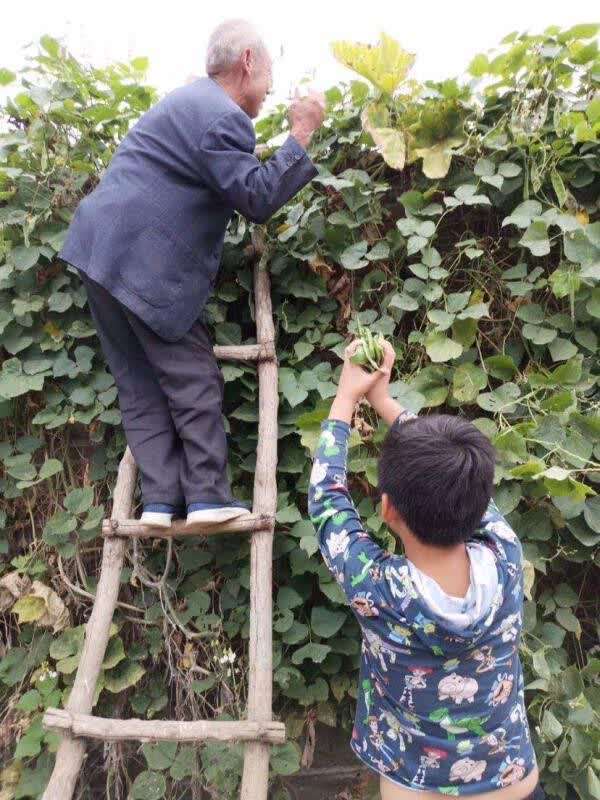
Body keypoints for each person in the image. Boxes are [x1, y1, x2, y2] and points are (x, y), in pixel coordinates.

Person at [59, 19, 324, 528]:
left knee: (139, 382)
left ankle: (161, 503)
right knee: (192, 375)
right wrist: (302, 132)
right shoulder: (222, 116)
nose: (271, 89)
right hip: (142, 258)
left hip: (97, 250)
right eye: (270, 73)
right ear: (247, 61)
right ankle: (205, 497)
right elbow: (257, 197)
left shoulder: (188, 103)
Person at [308, 340, 543, 800]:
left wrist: (347, 397)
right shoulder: (506, 555)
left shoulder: (378, 589)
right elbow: (458, 474)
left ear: (387, 510)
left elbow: (327, 501)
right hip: (513, 783)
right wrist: (383, 401)